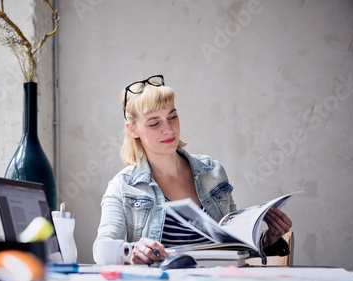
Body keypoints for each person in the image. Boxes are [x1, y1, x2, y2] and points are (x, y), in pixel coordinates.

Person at [93, 74, 292, 265]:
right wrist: (130, 252)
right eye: (154, 123)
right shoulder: (123, 186)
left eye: (172, 117)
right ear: (133, 130)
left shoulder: (212, 171)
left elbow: (234, 243)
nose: (169, 129)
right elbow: (101, 249)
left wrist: (267, 241)